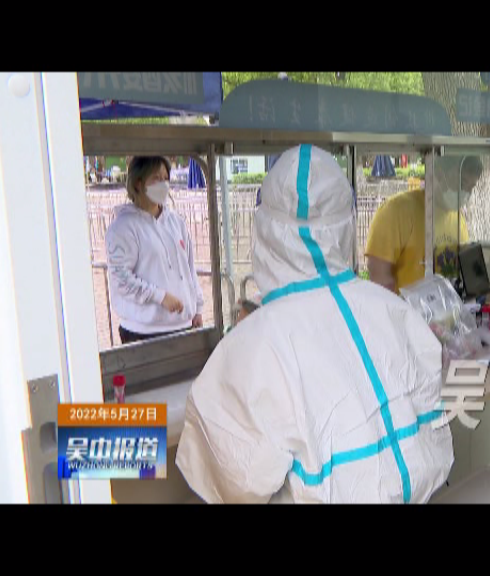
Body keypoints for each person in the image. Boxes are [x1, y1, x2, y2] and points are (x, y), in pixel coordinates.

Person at [176, 144, 454, 503]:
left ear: (265, 232)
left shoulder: (254, 345)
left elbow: (233, 481)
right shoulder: (395, 312)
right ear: (346, 228)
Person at [105, 156, 204, 344]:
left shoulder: (176, 223)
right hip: (143, 330)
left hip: (183, 324)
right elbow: (121, 279)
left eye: (166, 178)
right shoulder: (123, 227)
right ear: (138, 183)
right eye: (156, 178)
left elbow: (189, 268)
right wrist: (159, 296)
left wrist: (197, 307)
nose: (163, 184)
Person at [365, 156, 483, 293]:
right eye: (462, 183)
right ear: (439, 173)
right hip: (404, 305)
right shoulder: (395, 211)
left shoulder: (458, 220)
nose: (465, 193)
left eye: (471, 188)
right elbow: (380, 279)